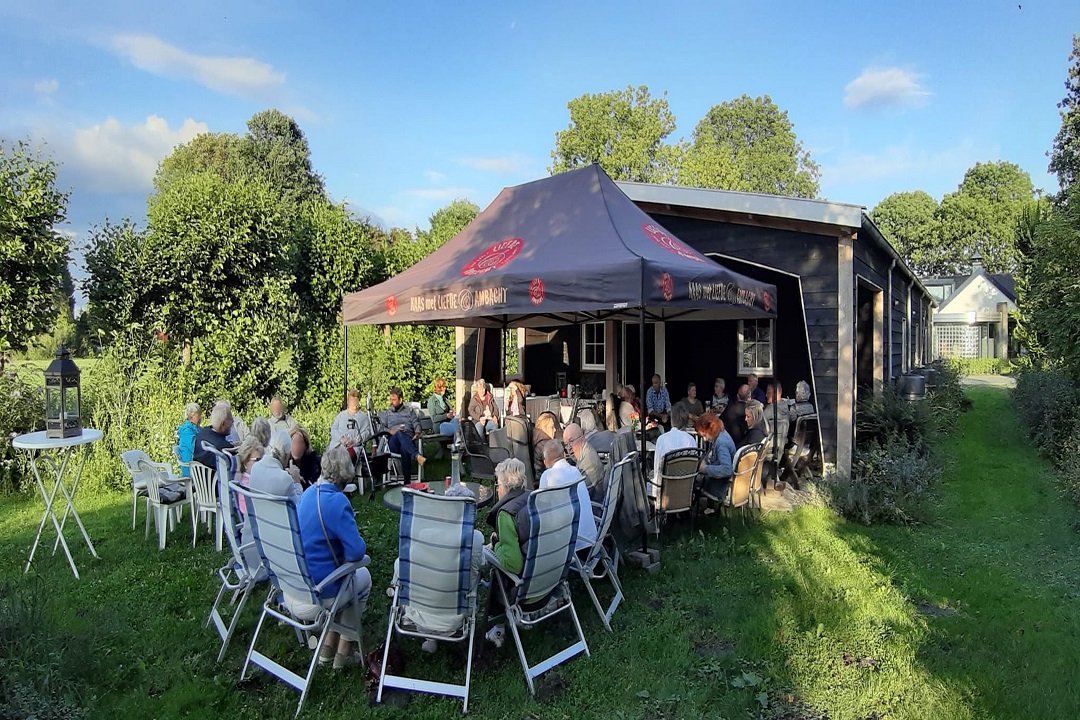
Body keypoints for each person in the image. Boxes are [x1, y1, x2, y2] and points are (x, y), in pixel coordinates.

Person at [293, 445, 372, 669]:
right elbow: (357, 553)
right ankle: (343, 651)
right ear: (345, 475)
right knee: (361, 577)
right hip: (319, 592)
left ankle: (328, 647)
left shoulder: (308, 494)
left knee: (347, 580)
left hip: (297, 584)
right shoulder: (337, 502)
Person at [484, 457, 532, 647]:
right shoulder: (532, 498)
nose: (497, 489)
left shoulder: (506, 515)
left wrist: (495, 545)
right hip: (543, 578)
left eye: (497, 484)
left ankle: (497, 630)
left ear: (504, 486)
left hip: (523, 587)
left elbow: (513, 564)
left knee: (495, 569)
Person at [538, 440, 596, 551]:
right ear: (564, 455)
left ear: (545, 462)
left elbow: (542, 513)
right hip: (590, 539)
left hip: (568, 545)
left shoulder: (548, 476)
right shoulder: (575, 471)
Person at [377, 387, 425, 485]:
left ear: (400, 400)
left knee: (404, 448)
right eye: (390, 399)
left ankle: (407, 483)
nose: (391, 402)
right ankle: (416, 455)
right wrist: (390, 431)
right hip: (393, 442)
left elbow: (416, 423)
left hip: (408, 439)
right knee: (399, 433)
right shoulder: (387, 413)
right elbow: (380, 428)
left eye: (394, 400)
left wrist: (418, 432)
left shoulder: (409, 411)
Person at [652, 404, 698, 493]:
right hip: (685, 493)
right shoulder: (691, 440)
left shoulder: (662, 439)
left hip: (664, 493)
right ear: (686, 420)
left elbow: (657, 469)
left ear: (672, 419)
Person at [248, 431, 304, 502]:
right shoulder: (285, 479)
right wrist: (297, 482)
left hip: (257, 512)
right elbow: (299, 505)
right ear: (286, 455)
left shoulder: (255, 468)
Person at [694, 412, 738, 499]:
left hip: (720, 485)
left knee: (692, 482)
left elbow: (726, 470)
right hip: (718, 480)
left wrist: (705, 468)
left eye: (705, 435)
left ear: (711, 429)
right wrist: (704, 461)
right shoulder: (719, 434)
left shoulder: (721, 443)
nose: (704, 439)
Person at [562, 423, 604, 496]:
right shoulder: (586, 451)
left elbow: (579, 495)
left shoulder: (587, 463)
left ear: (582, 439)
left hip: (593, 503)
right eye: (566, 444)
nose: (569, 447)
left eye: (571, 441)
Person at [193, 401, 234, 468]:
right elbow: (234, 463)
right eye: (231, 420)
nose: (232, 423)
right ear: (223, 424)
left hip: (198, 476)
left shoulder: (202, 432)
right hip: (215, 477)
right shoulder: (223, 447)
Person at [234, 434, 264, 518]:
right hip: (255, 521)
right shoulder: (248, 484)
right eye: (257, 460)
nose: (261, 463)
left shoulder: (242, 478)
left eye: (262, 459)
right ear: (245, 462)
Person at [176, 403, 201, 478]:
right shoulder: (186, 431)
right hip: (191, 467)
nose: (200, 417)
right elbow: (195, 448)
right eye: (198, 415)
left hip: (197, 464)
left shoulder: (197, 428)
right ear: (191, 416)